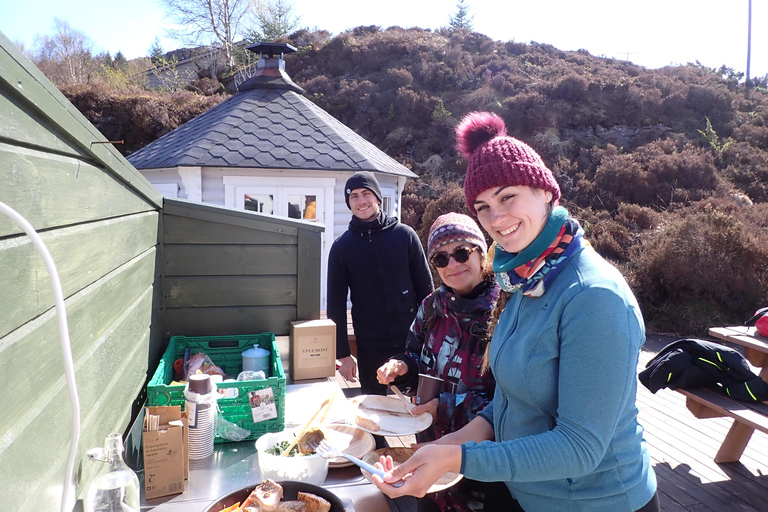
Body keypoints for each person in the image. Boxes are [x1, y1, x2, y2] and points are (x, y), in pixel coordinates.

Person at [371, 112, 659, 512]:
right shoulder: (522, 281)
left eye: (508, 196)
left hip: (595, 501)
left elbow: (580, 448)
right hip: (525, 492)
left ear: (545, 192)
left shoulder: (593, 296)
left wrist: (459, 458)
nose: (496, 218)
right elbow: (508, 402)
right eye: (483, 206)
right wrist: (440, 448)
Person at [376, 212, 505, 512]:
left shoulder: (505, 313)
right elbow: (414, 355)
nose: (453, 264)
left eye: (462, 253)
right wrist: (402, 367)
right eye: (441, 259)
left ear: (482, 254)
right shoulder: (431, 306)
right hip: (428, 459)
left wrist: (445, 405)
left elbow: (510, 403)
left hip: (478, 469)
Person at [327, 171, 434, 395]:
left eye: (366, 193)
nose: (361, 200)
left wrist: (431, 335)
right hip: (370, 343)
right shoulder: (342, 248)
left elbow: (427, 293)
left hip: (411, 342)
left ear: (377, 197)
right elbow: (335, 304)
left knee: (418, 408)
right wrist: (343, 354)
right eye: (353, 196)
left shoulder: (405, 236)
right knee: (372, 412)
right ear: (348, 203)